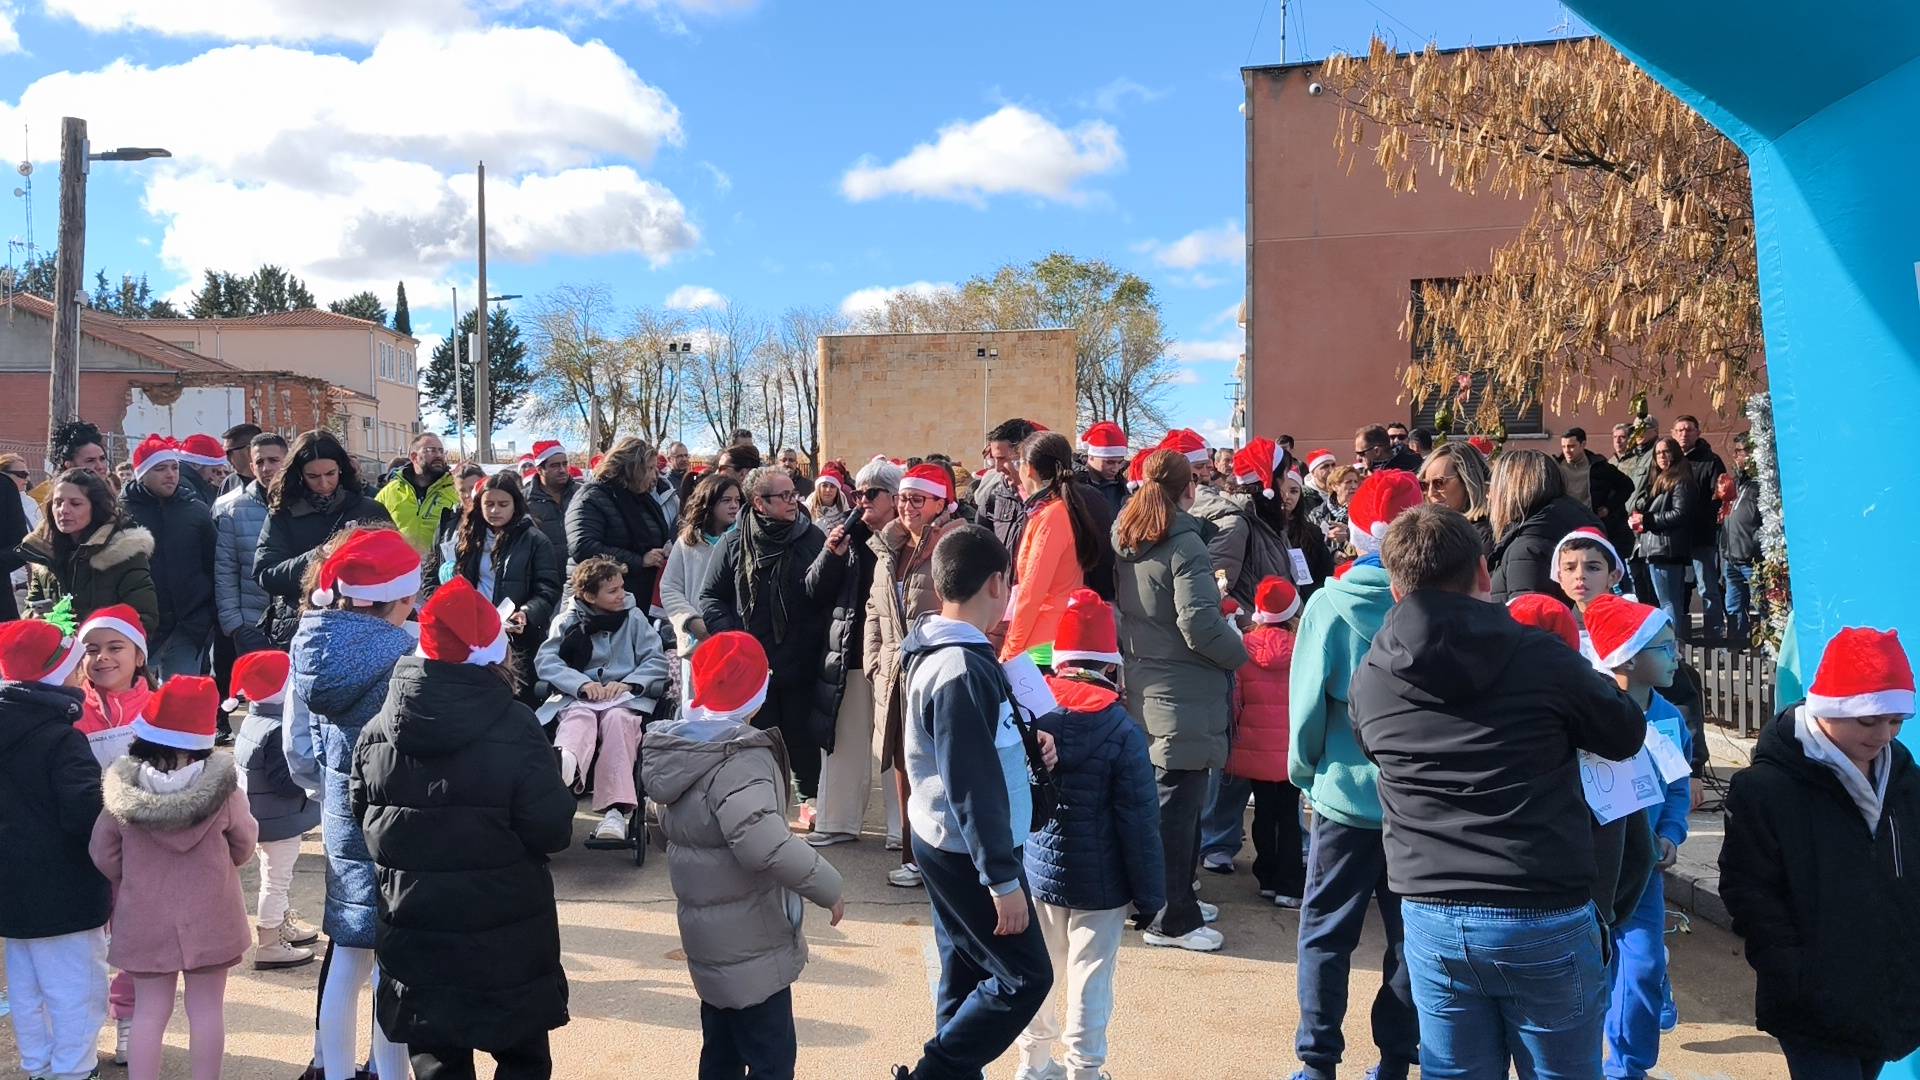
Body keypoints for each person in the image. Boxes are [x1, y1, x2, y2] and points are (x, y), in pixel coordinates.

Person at [1350, 506, 1647, 1079]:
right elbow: (1624, 733)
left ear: (1395, 587)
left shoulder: (1373, 674)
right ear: (1484, 574)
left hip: (1434, 908)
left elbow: (1374, 748)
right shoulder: (1543, 657)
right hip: (1540, 909)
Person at [352, 577, 575, 1079]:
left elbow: (364, 820)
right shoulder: (516, 726)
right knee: (522, 1060)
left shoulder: (378, 730)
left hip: (416, 931)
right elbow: (552, 828)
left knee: (436, 1063)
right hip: (507, 936)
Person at [645, 630, 847, 1080]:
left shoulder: (680, 750)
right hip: (751, 943)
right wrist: (829, 886)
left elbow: (661, 829)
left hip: (707, 938)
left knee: (721, 1051)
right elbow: (765, 846)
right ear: (757, 694)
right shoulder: (739, 759)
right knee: (772, 1058)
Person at [1720, 627, 1920, 1079]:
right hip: (1812, 1000)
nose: (1883, 735)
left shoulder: (1905, 780)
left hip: (1886, 989)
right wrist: (1789, 970)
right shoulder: (1765, 789)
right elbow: (1747, 888)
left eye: (1895, 721)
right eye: (1867, 720)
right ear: (1829, 708)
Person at [892, 524, 1053, 1080]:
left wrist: (1029, 743)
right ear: (996, 583)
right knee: (1025, 977)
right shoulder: (958, 666)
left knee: (965, 969)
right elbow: (970, 782)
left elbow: (975, 752)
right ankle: (935, 1073)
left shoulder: (945, 649)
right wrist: (1002, 881)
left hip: (950, 837)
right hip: (969, 847)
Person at [1287, 469, 1424, 1080]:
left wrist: (1305, 771)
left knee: (1325, 934)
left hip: (1344, 793)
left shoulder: (1327, 604)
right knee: (1409, 940)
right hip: (1416, 801)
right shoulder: (1433, 608)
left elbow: (1308, 704)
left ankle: (1318, 1061)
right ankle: (1396, 1058)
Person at [288, 527, 421, 1080]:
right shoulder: (410, 655)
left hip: (341, 816)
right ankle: (390, 1073)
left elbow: (299, 744)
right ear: (403, 596)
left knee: (347, 948)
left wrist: (324, 790)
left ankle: (335, 1071)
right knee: (395, 959)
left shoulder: (306, 643)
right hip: (396, 820)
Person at [1015, 589, 1165, 1080]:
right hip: (1101, 885)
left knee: (1040, 972)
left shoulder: (1034, 711)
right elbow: (1140, 824)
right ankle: (1086, 1068)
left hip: (1039, 872)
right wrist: (1150, 898)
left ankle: (1033, 1064)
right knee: (1091, 978)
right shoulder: (1121, 730)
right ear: (1111, 664)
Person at [1111, 449, 1248, 952]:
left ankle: (1172, 899)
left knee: (1169, 801)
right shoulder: (1184, 541)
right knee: (1176, 806)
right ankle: (1170, 917)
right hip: (1184, 685)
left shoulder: (1129, 534)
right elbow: (1198, 623)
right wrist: (1240, 653)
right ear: (1188, 487)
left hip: (1149, 677)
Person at [91, 675, 258, 1080]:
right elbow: (245, 843)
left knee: (149, 1011)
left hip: (144, 916)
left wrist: (132, 878)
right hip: (211, 913)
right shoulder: (225, 791)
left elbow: (102, 853)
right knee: (206, 1010)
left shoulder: (121, 792)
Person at [1586, 595, 1693, 1080]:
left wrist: (1671, 832)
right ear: (1628, 657)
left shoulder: (1669, 717)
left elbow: (1679, 785)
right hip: (1593, 872)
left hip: (1646, 870)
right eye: (1665, 649)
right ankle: (1583, 1060)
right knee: (1593, 970)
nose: (1677, 657)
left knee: (1646, 965)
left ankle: (1628, 1067)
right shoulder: (1588, 711)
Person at [0, 620, 110, 1080]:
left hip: (11, 890)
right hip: (65, 889)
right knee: (77, 988)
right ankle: (73, 1069)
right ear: (56, 674)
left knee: (26, 988)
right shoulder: (63, 738)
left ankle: (38, 1066)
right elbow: (84, 813)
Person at [698, 465, 833, 810]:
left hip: (800, 656)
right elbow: (710, 597)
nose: (793, 501)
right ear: (760, 503)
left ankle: (809, 799)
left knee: (801, 733)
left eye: (794, 494)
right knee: (759, 737)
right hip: (752, 663)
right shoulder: (734, 541)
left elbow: (824, 595)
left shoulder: (811, 537)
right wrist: (735, 638)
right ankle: (764, 803)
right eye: (784, 496)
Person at [535, 556, 671, 848]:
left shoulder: (634, 618)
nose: (622, 594)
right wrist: (581, 683)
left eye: (622, 587)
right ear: (588, 595)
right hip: (579, 697)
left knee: (618, 722)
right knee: (578, 720)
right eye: (613, 591)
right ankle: (566, 765)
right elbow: (546, 661)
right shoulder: (567, 620)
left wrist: (629, 683)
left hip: (623, 698)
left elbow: (655, 660)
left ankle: (614, 812)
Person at [866, 458, 951, 889]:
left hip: (936, 673)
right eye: (901, 499)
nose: (906, 507)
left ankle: (945, 856)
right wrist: (874, 660)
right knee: (903, 765)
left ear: (941, 503)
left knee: (941, 768)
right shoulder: (888, 547)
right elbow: (874, 609)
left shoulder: (953, 544)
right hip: (895, 672)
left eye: (917, 500)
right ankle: (913, 855)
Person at [805, 463, 892, 848]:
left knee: (896, 745)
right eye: (858, 493)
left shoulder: (909, 537)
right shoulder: (843, 532)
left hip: (894, 655)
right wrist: (831, 556)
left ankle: (902, 829)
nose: (862, 501)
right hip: (850, 650)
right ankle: (837, 820)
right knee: (843, 740)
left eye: (871, 494)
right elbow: (814, 592)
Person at [253, 431, 393, 650]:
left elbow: (397, 567)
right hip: (303, 629)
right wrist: (320, 556)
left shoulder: (370, 509)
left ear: (342, 469)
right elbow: (265, 574)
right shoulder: (283, 514)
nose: (324, 483)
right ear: (299, 475)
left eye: (330, 473)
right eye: (313, 476)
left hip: (363, 628)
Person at [226, 649, 320, 971]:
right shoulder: (278, 729)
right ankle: (269, 943)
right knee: (276, 880)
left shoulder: (254, 720)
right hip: (279, 821)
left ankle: (281, 925)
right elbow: (285, 781)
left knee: (277, 876)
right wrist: (314, 775)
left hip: (259, 816)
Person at [1226, 577, 1308, 907]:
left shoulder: (1245, 647)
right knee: (1290, 813)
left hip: (1255, 744)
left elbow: (1235, 699)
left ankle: (1267, 875)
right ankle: (1289, 883)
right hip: (1291, 746)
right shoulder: (1302, 645)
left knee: (1263, 810)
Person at [438, 471, 563, 688]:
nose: (495, 510)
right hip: (472, 632)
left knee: (510, 692)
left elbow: (548, 588)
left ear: (516, 504)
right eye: (489, 504)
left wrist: (527, 613)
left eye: (503, 504)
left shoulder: (535, 540)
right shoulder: (468, 536)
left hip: (516, 636)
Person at [1001, 432, 1103, 667]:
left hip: (1044, 642)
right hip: (1052, 635)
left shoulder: (1052, 515)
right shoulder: (1058, 509)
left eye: (1020, 463)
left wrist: (1011, 649)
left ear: (1029, 469)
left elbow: (1032, 590)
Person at [119, 435, 217, 679]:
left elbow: (213, 562)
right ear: (142, 474)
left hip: (188, 625)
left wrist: (207, 613)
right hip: (140, 626)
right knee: (138, 702)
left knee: (183, 702)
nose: (170, 474)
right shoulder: (121, 512)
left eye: (174, 467)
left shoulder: (195, 509)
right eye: (161, 469)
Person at [18, 467, 159, 631]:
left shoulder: (123, 552)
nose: (64, 510)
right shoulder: (44, 552)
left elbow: (143, 619)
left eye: (75, 503)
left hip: (102, 654)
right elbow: (31, 607)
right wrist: (37, 619)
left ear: (96, 507)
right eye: (58, 502)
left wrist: (93, 638)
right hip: (58, 653)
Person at [1487, 448, 1602, 606]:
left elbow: (1530, 621)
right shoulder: (1559, 525)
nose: (1489, 495)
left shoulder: (1528, 547)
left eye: (1493, 487)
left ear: (1510, 491)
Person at [566, 436, 673, 604]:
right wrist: (639, 560)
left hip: (638, 596)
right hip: (596, 602)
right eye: (650, 468)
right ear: (633, 468)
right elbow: (583, 546)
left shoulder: (642, 499)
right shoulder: (592, 497)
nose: (656, 475)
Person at [1191, 436, 1293, 607]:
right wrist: (1255, 625)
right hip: (1253, 630)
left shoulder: (1265, 517)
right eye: (1285, 474)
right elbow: (1213, 594)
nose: (1286, 481)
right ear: (1272, 480)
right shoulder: (1236, 525)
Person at [213, 433, 287, 657]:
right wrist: (234, 623)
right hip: (252, 626)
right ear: (252, 467)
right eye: (259, 462)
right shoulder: (235, 510)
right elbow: (226, 568)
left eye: (273, 460)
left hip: (297, 622)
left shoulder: (304, 505)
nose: (266, 468)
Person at [660, 474, 745, 652]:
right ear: (709, 502)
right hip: (697, 642)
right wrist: (690, 620)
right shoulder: (687, 543)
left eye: (737, 500)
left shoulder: (744, 540)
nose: (734, 505)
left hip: (736, 638)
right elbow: (670, 587)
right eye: (726, 500)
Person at [1629, 437, 1698, 637]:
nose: (1662, 457)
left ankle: (1675, 645)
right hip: (1655, 547)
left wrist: (1648, 520)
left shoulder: (1681, 481)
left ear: (1675, 453)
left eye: (1666, 452)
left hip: (1667, 549)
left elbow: (1680, 514)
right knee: (1667, 601)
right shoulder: (1660, 479)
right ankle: (1675, 645)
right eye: (1658, 453)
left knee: (1669, 602)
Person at [1671, 416, 1728, 643]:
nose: (1684, 434)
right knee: (1678, 590)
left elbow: (1720, 496)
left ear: (1698, 432)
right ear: (1673, 433)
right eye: (1680, 430)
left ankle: (1713, 635)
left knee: (1707, 588)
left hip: (1701, 536)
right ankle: (1681, 637)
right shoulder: (1669, 460)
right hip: (1674, 538)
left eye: (1689, 430)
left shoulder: (1711, 461)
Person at [75, 605, 155, 763]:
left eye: (115, 648)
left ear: (139, 657)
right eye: (91, 650)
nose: (101, 656)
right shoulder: (72, 711)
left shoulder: (159, 709)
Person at [375, 433, 458, 555]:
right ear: (414, 457)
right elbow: (373, 530)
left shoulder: (455, 491)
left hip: (440, 570)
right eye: (431, 450)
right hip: (400, 568)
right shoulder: (390, 491)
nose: (439, 455)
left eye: (441, 451)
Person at [420, 461, 488, 606]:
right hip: (450, 605)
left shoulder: (494, 523)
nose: (468, 495)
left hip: (486, 603)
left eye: (473, 488)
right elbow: (431, 571)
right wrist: (440, 600)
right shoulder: (447, 522)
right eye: (462, 490)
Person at [1561, 427, 1636, 556]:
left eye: (1571, 446)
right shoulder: (1557, 468)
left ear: (1583, 444)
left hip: (1595, 524)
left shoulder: (1599, 466)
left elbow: (1627, 486)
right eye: (1564, 446)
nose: (1567, 451)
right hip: (1567, 525)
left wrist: (1608, 507)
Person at [976, 418, 1041, 556]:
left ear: (1027, 455)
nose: (998, 468)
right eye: (994, 460)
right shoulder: (993, 497)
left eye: (1002, 459)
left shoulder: (1059, 499)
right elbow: (979, 550)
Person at [1719, 435, 1761, 646]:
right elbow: (1726, 520)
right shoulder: (1734, 484)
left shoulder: (1761, 484)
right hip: (1731, 557)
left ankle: (1764, 648)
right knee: (1733, 607)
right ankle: (1736, 649)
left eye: (1747, 450)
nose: (1743, 456)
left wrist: (1755, 546)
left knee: (1760, 605)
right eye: (1739, 452)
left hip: (1752, 557)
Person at [1417, 441, 1494, 554]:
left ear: (1468, 481)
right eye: (1424, 485)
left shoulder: (1484, 536)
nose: (1430, 493)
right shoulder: (1429, 532)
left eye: (1439, 483)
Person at [524, 441, 578, 555]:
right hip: (542, 569)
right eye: (555, 465)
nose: (562, 470)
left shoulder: (582, 494)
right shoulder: (523, 500)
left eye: (565, 464)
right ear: (539, 470)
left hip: (579, 569)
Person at [1077, 421, 1131, 522]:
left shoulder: (1124, 488)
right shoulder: (1073, 484)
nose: (1115, 468)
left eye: (1120, 462)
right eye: (1109, 462)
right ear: (1091, 456)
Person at [1308, 465, 1362, 553]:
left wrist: (1349, 535)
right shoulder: (1318, 514)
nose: (1354, 486)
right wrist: (1333, 553)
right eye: (1348, 482)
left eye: (1356, 482)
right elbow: (1311, 544)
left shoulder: (1364, 512)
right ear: (1334, 486)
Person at [174, 434, 231, 507]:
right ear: (196, 465)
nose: (213, 476)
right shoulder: (185, 486)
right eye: (213, 470)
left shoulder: (196, 483)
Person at [805, 459, 853, 531]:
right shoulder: (807, 508)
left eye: (833, 486)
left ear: (837, 490)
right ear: (818, 487)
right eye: (824, 485)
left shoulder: (844, 506)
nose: (828, 490)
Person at [1355, 424, 1422, 475]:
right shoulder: (1361, 472)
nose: (1358, 458)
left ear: (1377, 451)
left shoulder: (1410, 469)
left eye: (1361, 453)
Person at [220, 424, 262, 495]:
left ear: (250, 451)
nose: (227, 458)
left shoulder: (274, 481)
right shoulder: (230, 482)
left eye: (229, 453)